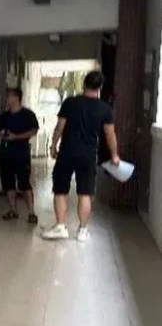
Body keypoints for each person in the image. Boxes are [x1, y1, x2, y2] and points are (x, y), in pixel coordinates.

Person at [42, 70, 120, 242]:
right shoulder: (105, 109)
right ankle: (83, 231)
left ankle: (60, 227)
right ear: (100, 87)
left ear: (84, 84)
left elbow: (60, 127)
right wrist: (114, 155)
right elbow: (110, 134)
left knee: (60, 189)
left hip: (67, 153)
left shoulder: (70, 103)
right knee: (85, 192)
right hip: (88, 155)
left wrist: (53, 145)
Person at [0, 87, 40, 224]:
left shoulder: (28, 115)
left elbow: (34, 130)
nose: (6, 99)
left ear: (15, 98)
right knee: (8, 184)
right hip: (5, 154)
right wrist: (0, 134)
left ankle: (31, 212)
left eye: (8, 96)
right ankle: (13, 211)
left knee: (24, 184)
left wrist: (16, 137)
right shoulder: (4, 116)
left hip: (21, 154)